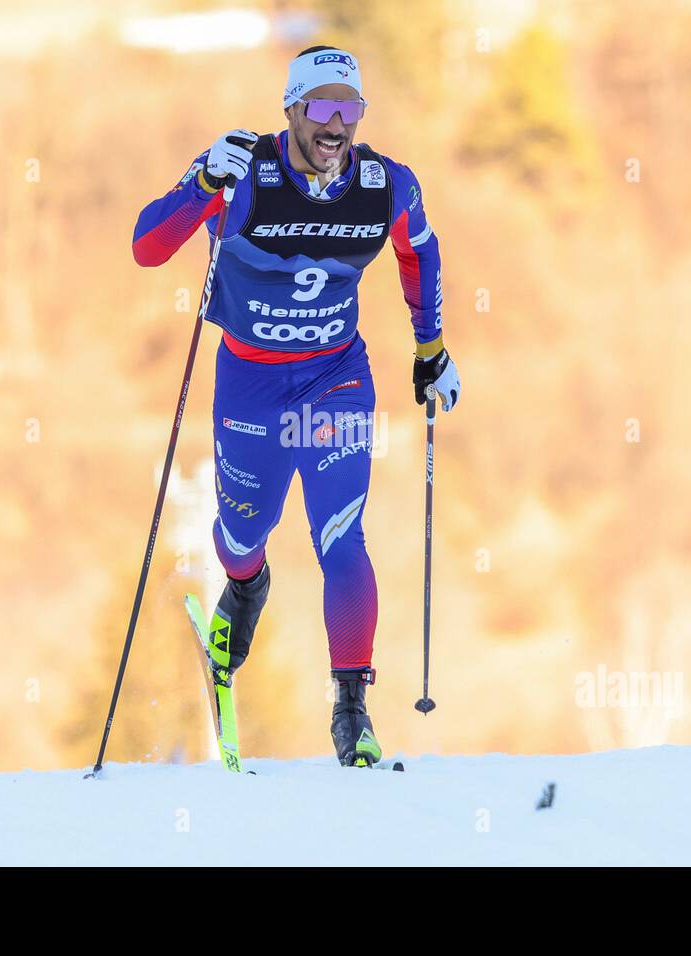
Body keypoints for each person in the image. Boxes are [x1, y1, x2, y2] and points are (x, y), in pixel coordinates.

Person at [132, 45, 460, 766]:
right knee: (241, 539)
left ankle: (351, 709)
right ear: (292, 111)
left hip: (335, 381)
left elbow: (419, 253)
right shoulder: (244, 171)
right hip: (249, 385)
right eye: (321, 107)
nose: (336, 124)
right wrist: (200, 185)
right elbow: (147, 248)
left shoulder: (384, 185)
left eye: (350, 108)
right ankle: (245, 591)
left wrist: (429, 348)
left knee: (342, 539)